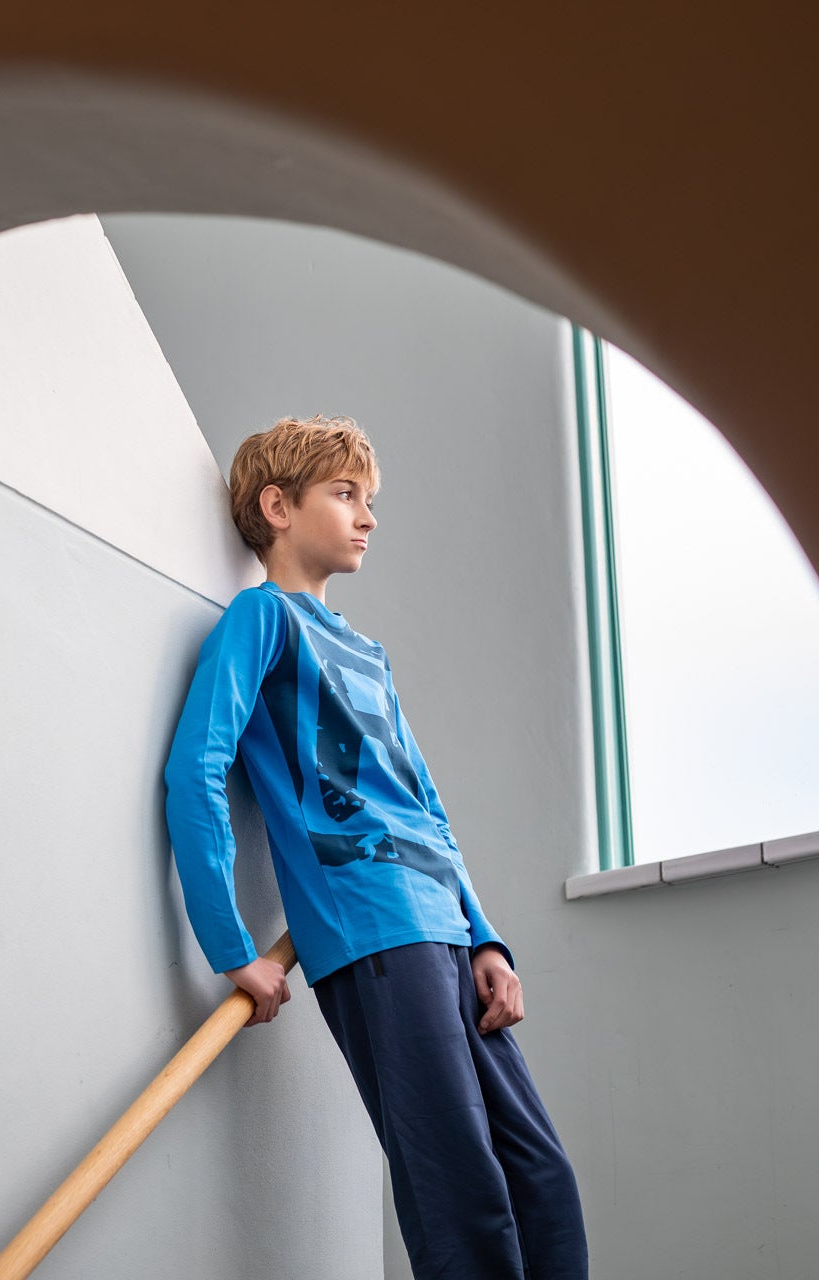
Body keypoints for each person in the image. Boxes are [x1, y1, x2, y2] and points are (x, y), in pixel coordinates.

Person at [162, 414, 589, 1280]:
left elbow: (425, 806)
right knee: (459, 1187)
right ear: (277, 507)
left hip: (446, 927)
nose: (368, 516)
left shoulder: (367, 653)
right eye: (345, 494)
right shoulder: (261, 620)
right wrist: (231, 946)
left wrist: (487, 937)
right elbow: (195, 769)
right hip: (371, 928)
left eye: (369, 498)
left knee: (542, 1178)